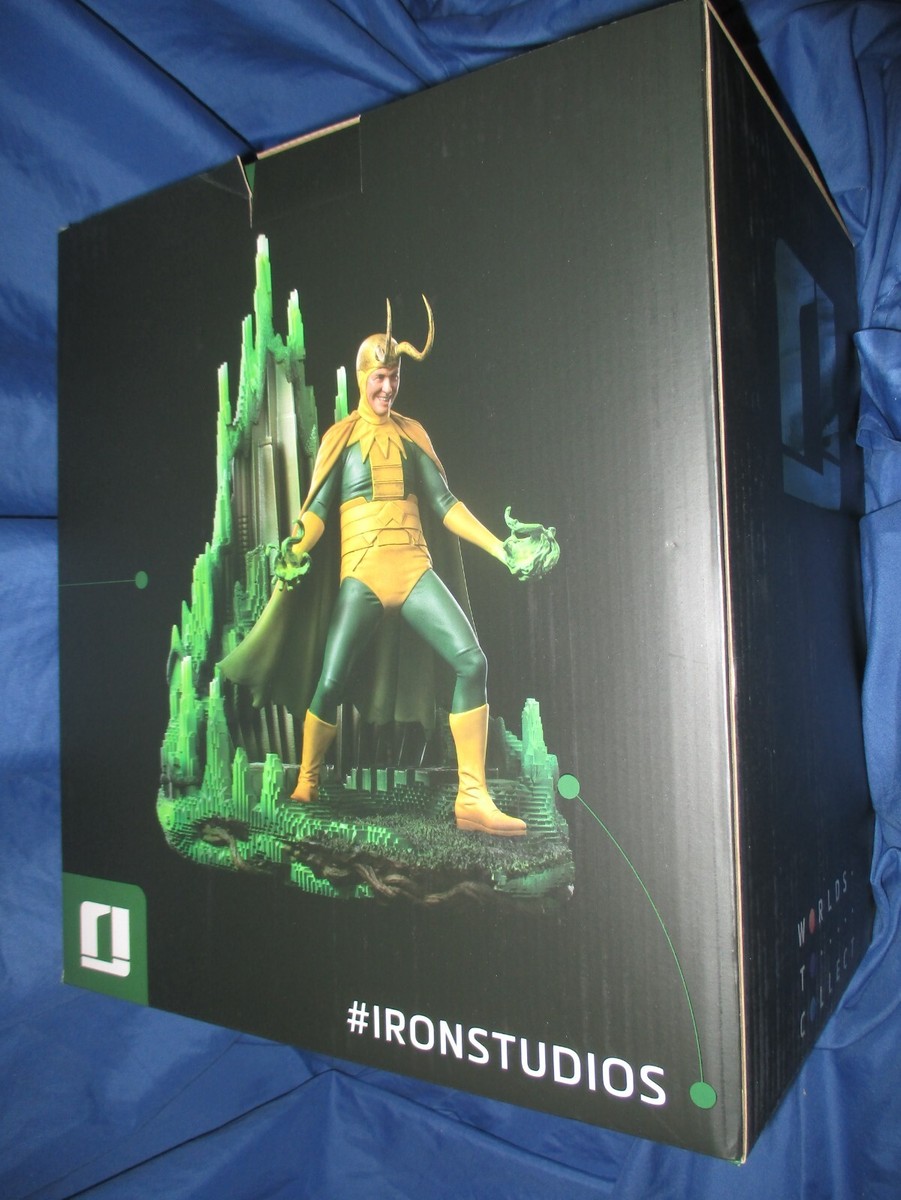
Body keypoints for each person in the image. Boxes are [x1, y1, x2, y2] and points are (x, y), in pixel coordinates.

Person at [222, 298, 558, 836]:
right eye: (380, 378)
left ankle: (472, 799)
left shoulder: (412, 434)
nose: (387, 388)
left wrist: (500, 549)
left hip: (414, 570)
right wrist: (296, 546)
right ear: (362, 377)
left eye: (395, 378)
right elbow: (317, 511)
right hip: (362, 575)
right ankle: (308, 779)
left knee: (472, 662)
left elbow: (445, 505)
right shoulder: (341, 439)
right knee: (331, 678)